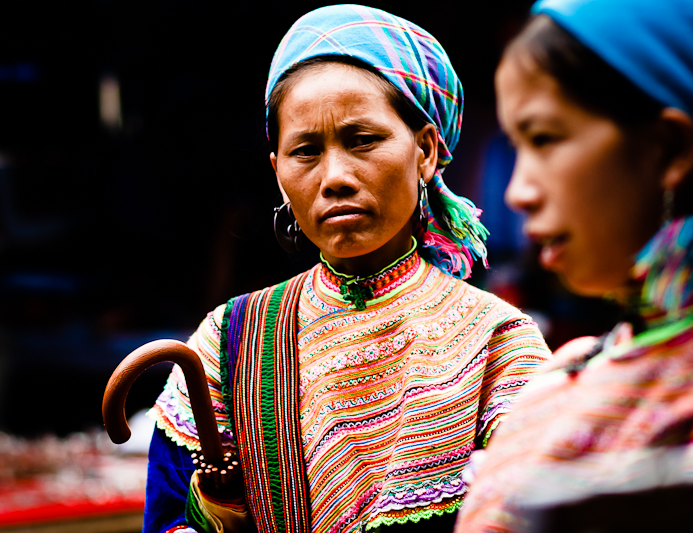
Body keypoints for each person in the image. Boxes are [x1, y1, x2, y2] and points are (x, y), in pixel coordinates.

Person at [143, 5, 551, 533]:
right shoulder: (229, 343)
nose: (334, 177)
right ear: (277, 170)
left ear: (425, 150)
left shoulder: (497, 345)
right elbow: (170, 516)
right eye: (306, 151)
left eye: (362, 140)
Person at [455, 0, 693, 531]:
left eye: (545, 139)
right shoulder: (563, 374)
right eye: (515, 146)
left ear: (669, 147)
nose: (517, 193)